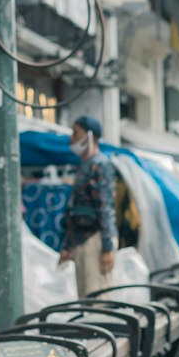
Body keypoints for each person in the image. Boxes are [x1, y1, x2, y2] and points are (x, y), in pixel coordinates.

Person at [58, 115, 118, 295]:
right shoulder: (84, 166)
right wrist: (68, 245)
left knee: (98, 300)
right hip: (81, 240)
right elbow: (74, 209)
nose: (72, 138)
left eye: (76, 133)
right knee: (85, 301)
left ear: (89, 136)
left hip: (95, 239)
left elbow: (105, 207)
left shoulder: (100, 165)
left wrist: (107, 247)